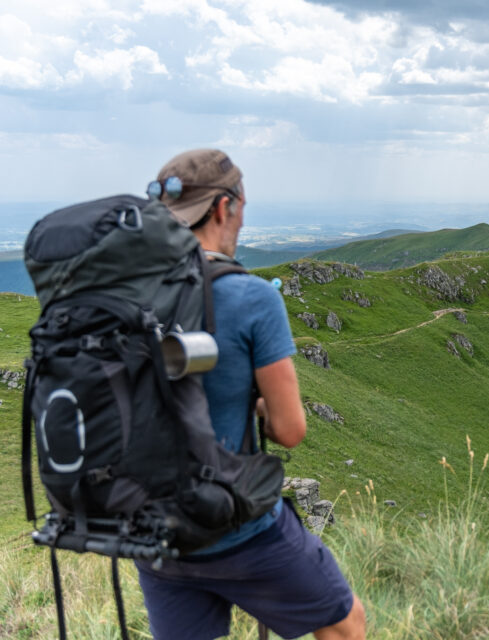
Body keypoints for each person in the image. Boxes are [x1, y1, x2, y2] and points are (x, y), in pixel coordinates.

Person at [134, 149, 366, 640]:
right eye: (241, 203)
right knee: (346, 624)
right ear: (224, 208)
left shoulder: (129, 295)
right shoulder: (254, 297)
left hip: (154, 531)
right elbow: (289, 431)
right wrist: (256, 405)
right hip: (236, 528)